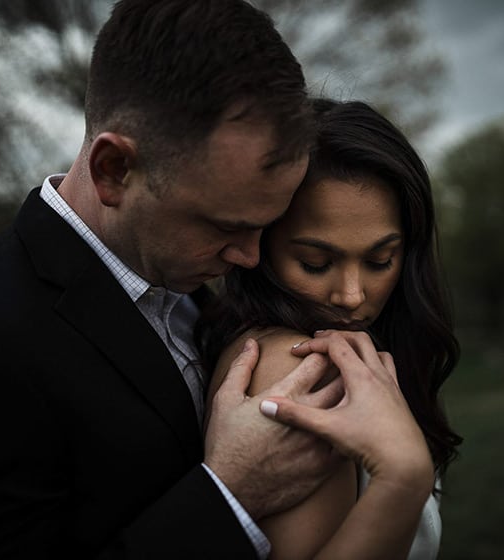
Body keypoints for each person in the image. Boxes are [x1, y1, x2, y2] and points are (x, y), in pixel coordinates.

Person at [0, 1, 390, 557]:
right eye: (225, 225)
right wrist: (230, 492)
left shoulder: (195, 294)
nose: (249, 256)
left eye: (266, 226)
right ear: (114, 170)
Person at [196, 98, 462, 559]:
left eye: (381, 260)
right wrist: (403, 479)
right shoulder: (301, 367)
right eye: (315, 263)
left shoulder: (360, 359)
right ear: (262, 247)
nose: (353, 296)